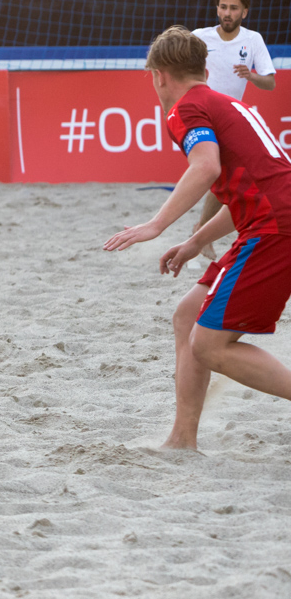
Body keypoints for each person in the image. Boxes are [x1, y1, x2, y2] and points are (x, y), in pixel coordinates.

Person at [103, 26, 291, 451]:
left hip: (275, 227)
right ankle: (182, 439)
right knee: (187, 317)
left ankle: (183, 437)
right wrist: (193, 242)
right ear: (204, 69)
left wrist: (156, 225)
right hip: (269, 220)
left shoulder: (184, 109)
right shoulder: (227, 103)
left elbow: (204, 168)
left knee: (209, 346)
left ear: (158, 75)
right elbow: (247, 193)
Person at [186, 0, 276, 260]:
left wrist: (250, 76)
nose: (227, 12)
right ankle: (200, 236)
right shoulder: (200, 37)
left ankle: (200, 233)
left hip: (231, 117)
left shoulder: (253, 40)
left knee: (225, 178)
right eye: (223, 7)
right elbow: (173, 56)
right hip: (201, 114)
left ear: (244, 12)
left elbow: (270, 83)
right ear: (217, 9)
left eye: (233, 8)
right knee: (217, 174)